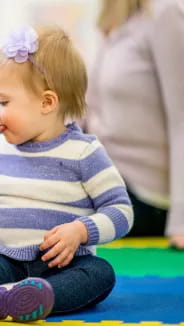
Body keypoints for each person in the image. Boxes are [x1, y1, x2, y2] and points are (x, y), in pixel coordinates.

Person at [0, 26, 134, 325]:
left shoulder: (84, 153)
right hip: (4, 258)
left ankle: (33, 297)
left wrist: (80, 230)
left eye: (3, 101)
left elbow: (122, 211)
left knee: (99, 273)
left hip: (62, 265)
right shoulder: (1, 148)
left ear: (47, 103)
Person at [86, 0, 184, 249]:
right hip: (107, 174)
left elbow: (181, 118)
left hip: (144, 193)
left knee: (18, 211)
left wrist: (181, 222)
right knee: (2, 203)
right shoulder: (120, 22)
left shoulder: (165, 13)